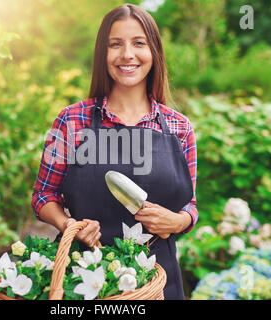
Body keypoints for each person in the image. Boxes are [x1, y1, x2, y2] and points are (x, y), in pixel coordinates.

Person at [31, 3, 197, 300]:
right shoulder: (71, 121)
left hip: (158, 281)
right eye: (115, 44)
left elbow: (190, 205)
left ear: (154, 53)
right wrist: (68, 224)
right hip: (84, 278)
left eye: (138, 43)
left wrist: (180, 221)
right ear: (102, 54)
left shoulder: (179, 127)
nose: (127, 55)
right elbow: (44, 195)